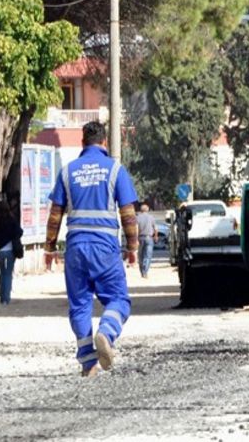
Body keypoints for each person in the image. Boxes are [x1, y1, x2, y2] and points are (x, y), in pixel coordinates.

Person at [45, 121, 139, 377]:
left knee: (79, 305)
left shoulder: (67, 171)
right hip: (105, 248)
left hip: (75, 248)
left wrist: (49, 249)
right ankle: (106, 333)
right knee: (118, 299)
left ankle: (88, 364)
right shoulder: (115, 169)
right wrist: (133, 247)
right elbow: (128, 214)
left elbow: (55, 215)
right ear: (105, 142)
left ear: (82, 142)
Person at [0, 200, 24, 305]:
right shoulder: (11, 220)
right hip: (10, 252)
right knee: (8, 274)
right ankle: (6, 298)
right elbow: (19, 232)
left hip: (0, 252)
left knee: (2, 273)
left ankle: (2, 296)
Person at [136, 203, 157, 279]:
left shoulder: (137, 218)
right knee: (148, 256)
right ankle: (145, 271)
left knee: (140, 256)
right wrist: (156, 236)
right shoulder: (151, 217)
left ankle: (142, 271)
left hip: (140, 238)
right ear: (147, 209)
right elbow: (155, 228)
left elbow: (136, 229)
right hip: (149, 238)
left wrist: (136, 239)